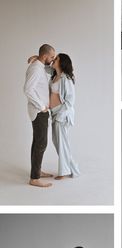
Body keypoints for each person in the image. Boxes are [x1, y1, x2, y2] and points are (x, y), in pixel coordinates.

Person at [24, 44, 56, 187]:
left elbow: (52, 69)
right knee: (41, 143)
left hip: (40, 110)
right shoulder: (36, 68)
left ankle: (36, 171)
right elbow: (27, 89)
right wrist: (42, 106)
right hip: (38, 111)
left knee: (37, 142)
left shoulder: (39, 66)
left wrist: (38, 58)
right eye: (52, 57)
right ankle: (34, 178)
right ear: (45, 56)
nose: (53, 59)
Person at [50, 53, 80, 180]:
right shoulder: (55, 76)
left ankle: (64, 172)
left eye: (56, 58)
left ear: (62, 62)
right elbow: (44, 67)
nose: (53, 59)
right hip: (54, 113)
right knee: (58, 143)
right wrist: (36, 58)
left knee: (62, 144)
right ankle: (73, 169)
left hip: (62, 114)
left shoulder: (66, 79)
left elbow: (69, 101)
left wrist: (60, 115)